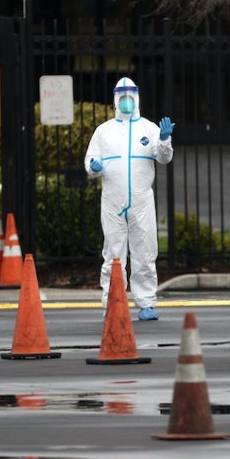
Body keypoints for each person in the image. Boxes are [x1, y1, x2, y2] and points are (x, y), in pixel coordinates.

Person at [84, 77, 175, 321]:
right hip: (112, 202)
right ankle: (112, 301)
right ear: (116, 99)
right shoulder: (103, 131)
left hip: (142, 201)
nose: (126, 101)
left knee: (144, 251)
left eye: (130, 97)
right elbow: (91, 161)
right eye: (121, 97)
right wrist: (94, 166)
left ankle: (146, 302)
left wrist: (165, 140)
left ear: (136, 98)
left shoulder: (149, 128)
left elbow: (164, 158)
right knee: (113, 252)